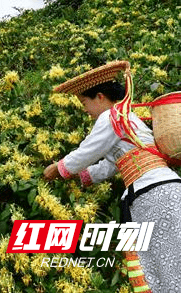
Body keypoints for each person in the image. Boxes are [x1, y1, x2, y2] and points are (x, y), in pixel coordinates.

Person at [43, 61, 181, 292]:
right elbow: (111, 165)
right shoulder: (125, 118)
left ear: (99, 97)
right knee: (169, 258)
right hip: (166, 190)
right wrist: (82, 177)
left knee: (164, 263)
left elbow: (87, 151)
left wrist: (58, 168)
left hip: (153, 195)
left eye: (84, 103)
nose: (84, 110)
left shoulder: (110, 117)